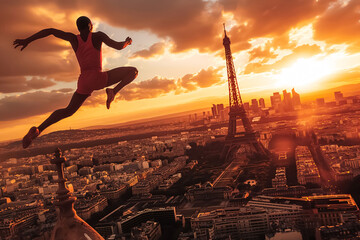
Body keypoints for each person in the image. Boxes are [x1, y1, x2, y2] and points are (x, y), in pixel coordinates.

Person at [13, 16, 138, 148]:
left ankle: (38, 129)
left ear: (78, 27)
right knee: (133, 72)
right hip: (97, 77)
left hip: (83, 81)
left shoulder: (73, 39)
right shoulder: (97, 36)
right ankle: (113, 91)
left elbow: (50, 31)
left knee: (68, 110)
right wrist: (127, 42)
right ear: (90, 25)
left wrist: (27, 40)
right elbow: (118, 46)